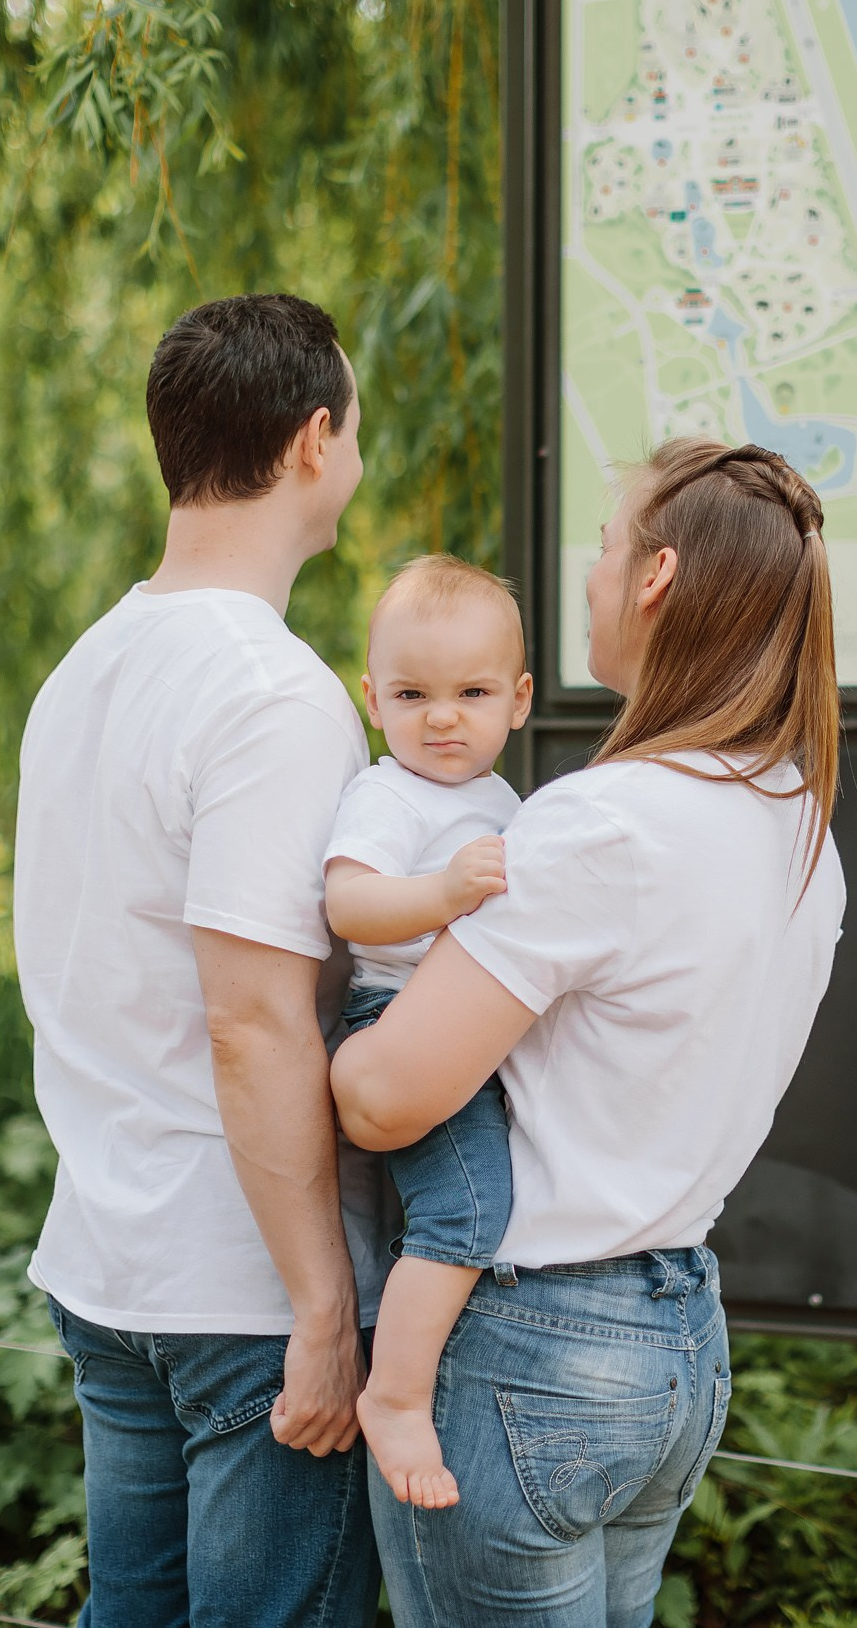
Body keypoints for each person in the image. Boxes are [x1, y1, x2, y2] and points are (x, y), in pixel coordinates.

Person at [332, 438, 848, 1626]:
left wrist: (338, 1043)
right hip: (677, 1338)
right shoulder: (794, 821)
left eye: (608, 543)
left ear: (657, 576)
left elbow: (383, 1101)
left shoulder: (602, 822)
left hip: (532, 1347)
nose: (591, 570)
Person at [14, 293, 389, 1628]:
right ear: (310, 440)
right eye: (353, 426)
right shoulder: (272, 693)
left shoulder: (86, 667)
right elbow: (254, 1018)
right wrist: (322, 1302)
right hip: (244, 1288)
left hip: (110, 1262)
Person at [320, 554, 535, 1509]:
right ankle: (398, 1396)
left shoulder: (505, 805)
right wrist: (444, 893)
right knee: (465, 1210)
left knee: (461, 1208)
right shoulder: (388, 795)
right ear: (372, 698)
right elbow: (349, 904)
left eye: (472, 691)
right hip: (398, 1015)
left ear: (518, 700)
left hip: (473, 1026)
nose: (442, 716)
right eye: (413, 693)